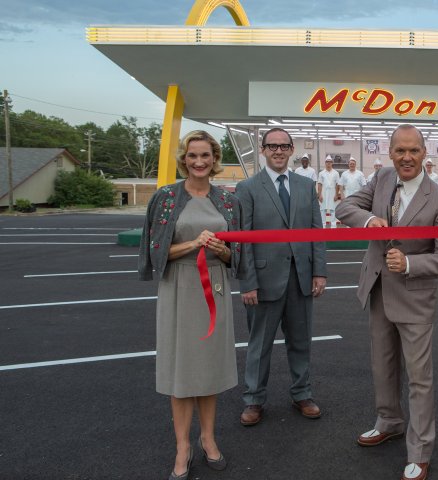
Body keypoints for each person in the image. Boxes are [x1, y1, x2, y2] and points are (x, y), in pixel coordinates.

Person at [336, 124, 438, 480]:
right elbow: (346, 207)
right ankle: (388, 420)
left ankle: (420, 451)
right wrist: (369, 219)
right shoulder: (382, 180)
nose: (407, 157)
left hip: (415, 300)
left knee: (420, 379)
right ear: (390, 153)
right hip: (377, 291)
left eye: (414, 151)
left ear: (425, 154)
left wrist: (410, 264)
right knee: (383, 367)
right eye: (400, 150)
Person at [138, 130, 244, 479]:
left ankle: (208, 439)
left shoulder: (228, 200)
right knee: (181, 371)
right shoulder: (166, 198)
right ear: (183, 159)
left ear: (215, 159)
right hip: (179, 287)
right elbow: (156, 252)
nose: (199, 162)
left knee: (209, 369)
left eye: (206, 155)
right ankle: (182, 447)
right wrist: (194, 244)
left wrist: (221, 251)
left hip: (214, 286)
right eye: (192, 155)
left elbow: (236, 255)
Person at [236, 127, 328, 427]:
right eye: (272, 146)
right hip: (262, 282)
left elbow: (316, 231)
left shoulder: (305, 185)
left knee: (301, 341)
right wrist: (248, 282)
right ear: (262, 150)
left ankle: (302, 393)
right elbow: (242, 238)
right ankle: (253, 400)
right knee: (259, 345)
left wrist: (318, 271)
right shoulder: (248, 188)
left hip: (300, 278)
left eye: (284, 146)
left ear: (291, 150)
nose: (278, 151)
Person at [317, 155, 340, 228]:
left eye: (330, 162)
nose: (328, 163)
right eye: (327, 162)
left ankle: (333, 226)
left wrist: (336, 194)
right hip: (324, 192)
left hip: (332, 192)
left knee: (333, 210)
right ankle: (323, 225)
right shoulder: (321, 173)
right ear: (325, 163)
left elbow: (337, 184)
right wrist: (319, 194)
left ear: (332, 163)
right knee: (323, 210)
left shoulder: (336, 173)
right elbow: (320, 184)